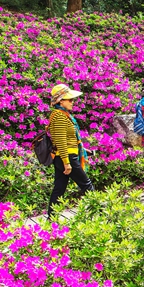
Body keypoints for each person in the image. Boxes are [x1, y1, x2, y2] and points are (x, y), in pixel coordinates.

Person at [47, 84, 94, 218]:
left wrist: (82, 149)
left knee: (59, 188)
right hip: (66, 157)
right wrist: (67, 163)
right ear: (61, 101)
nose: (72, 102)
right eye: (70, 100)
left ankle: (51, 219)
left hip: (63, 156)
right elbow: (61, 141)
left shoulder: (62, 114)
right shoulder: (60, 117)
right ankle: (101, 213)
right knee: (86, 185)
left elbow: (67, 139)